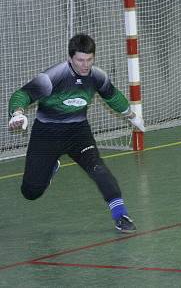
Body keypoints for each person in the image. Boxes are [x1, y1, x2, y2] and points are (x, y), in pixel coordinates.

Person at [8, 34, 144, 233]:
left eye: (89, 60)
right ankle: (51, 167)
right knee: (30, 192)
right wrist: (17, 113)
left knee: (99, 170)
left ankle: (120, 215)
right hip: (46, 134)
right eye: (80, 60)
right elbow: (22, 94)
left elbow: (112, 96)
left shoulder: (97, 76)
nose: (85, 65)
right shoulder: (53, 77)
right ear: (70, 58)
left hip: (78, 132)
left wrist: (132, 116)